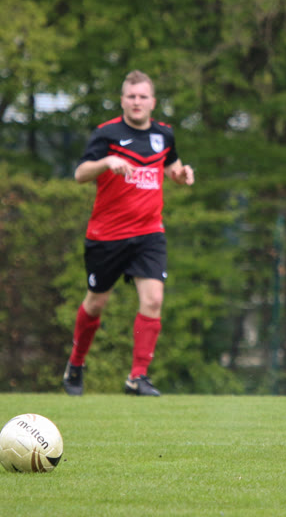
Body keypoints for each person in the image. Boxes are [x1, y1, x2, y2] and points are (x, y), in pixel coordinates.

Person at [62, 70, 194, 397]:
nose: (137, 102)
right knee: (96, 302)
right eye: (131, 96)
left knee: (153, 299)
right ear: (122, 100)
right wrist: (107, 161)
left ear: (153, 102)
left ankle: (138, 377)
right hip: (106, 235)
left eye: (142, 96)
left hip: (149, 233)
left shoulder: (164, 134)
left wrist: (181, 175)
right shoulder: (106, 133)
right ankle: (76, 364)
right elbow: (80, 174)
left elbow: (171, 167)